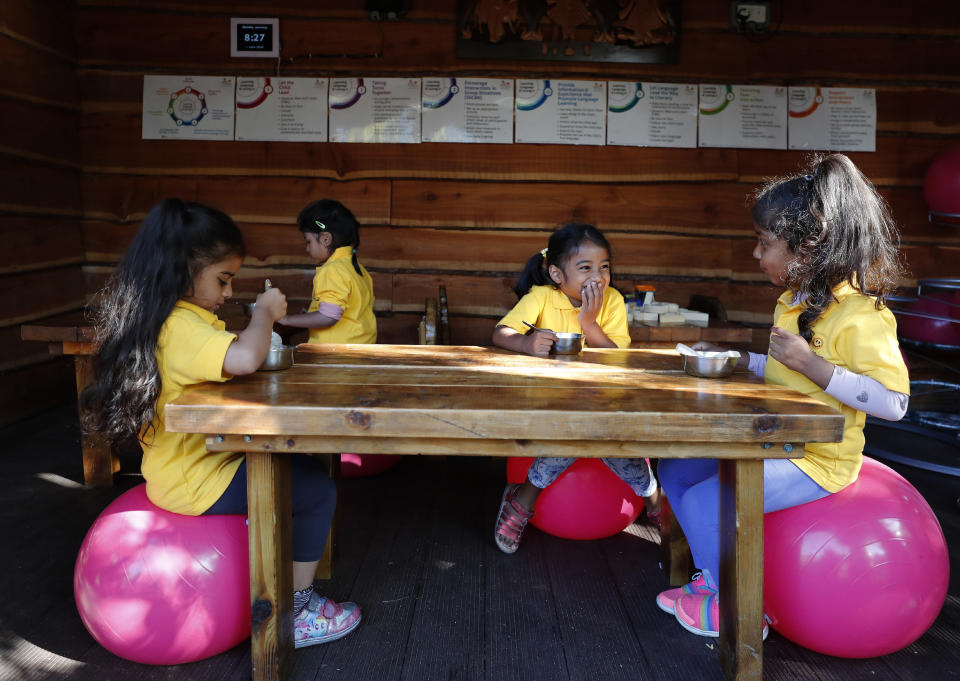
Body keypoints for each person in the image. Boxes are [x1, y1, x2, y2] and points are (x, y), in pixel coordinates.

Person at [80, 198, 361, 648]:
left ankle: (294, 585)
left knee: (306, 471)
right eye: (223, 280)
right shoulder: (180, 328)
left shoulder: (169, 319)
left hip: (185, 467)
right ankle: (298, 609)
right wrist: (265, 313)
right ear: (183, 270)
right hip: (199, 479)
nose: (228, 293)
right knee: (318, 491)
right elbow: (246, 357)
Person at [656, 153, 910, 639]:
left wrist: (815, 366)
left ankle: (732, 604)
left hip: (818, 459)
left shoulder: (862, 317)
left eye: (764, 243)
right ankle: (710, 575)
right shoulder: (793, 303)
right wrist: (739, 360)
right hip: (774, 442)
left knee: (714, 501)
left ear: (808, 249)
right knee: (675, 469)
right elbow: (782, 369)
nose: (757, 254)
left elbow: (894, 403)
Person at [491, 222, 662, 553]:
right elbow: (500, 333)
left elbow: (616, 357)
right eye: (585, 268)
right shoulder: (541, 297)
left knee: (596, 430)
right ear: (557, 274)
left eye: (604, 267)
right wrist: (526, 344)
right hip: (550, 404)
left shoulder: (611, 301)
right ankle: (656, 503)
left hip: (603, 402)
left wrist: (588, 323)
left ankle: (522, 499)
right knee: (576, 429)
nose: (597, 277)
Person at [278, 199, 376, 344]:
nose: (307, 248)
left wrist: (287, 320)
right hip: (358, 352)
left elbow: (328, 316)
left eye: (308, 241)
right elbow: (340, 310)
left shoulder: (332, 270)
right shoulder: (358, 270)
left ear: (325, 239)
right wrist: (310, 316)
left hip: (335, 357)